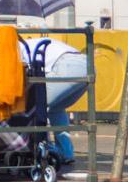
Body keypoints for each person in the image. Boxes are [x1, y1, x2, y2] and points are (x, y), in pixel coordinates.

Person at [18, 33, 90, 162]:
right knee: (56, 108)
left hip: (67, 65)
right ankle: (65, 153)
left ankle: (43, 149)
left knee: (37, 105)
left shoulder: (16, 48)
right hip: (86, 65)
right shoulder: (30, 44)